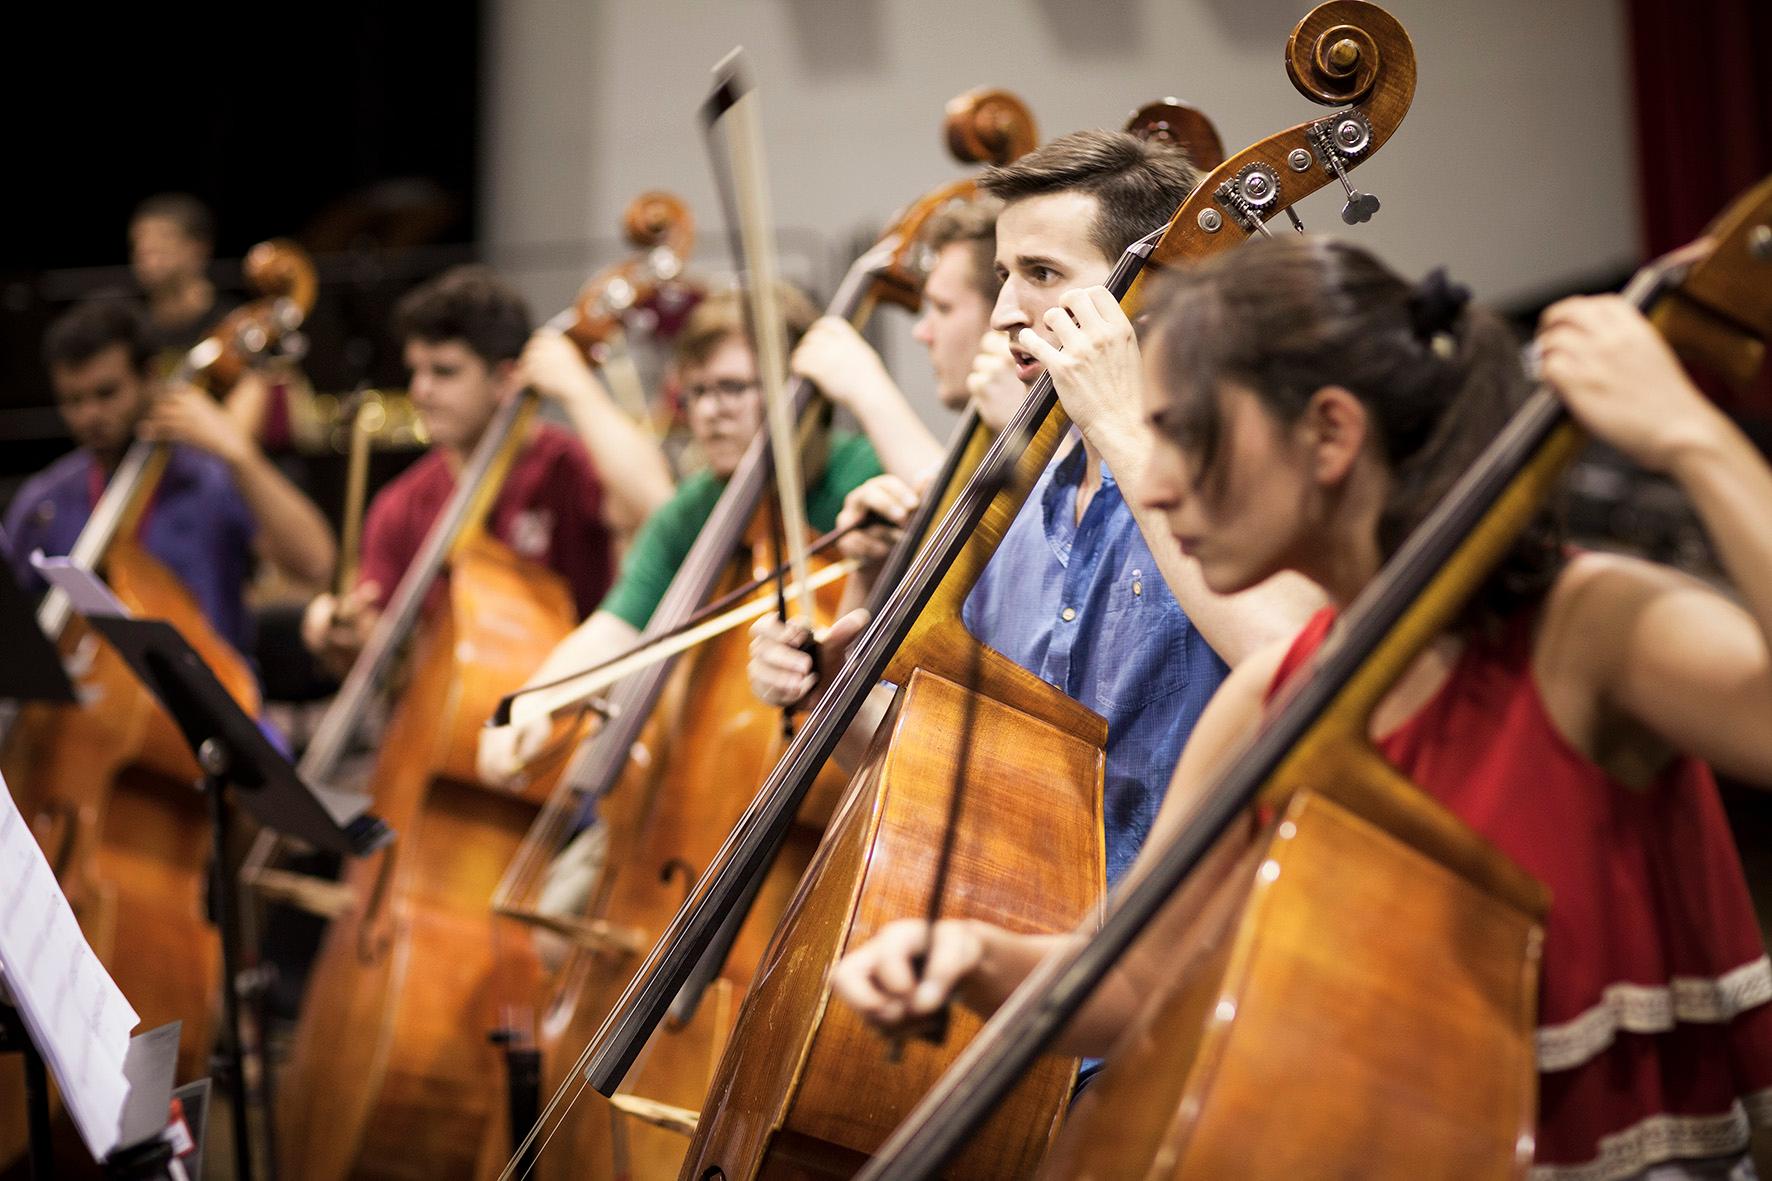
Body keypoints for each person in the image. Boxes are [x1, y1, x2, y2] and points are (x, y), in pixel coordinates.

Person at [833, 236, 1772, 1178]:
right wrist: (973, 956)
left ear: (1329, 434)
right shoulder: (1267, 702)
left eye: (1188, 437)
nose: (1153, 482)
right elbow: (1133, 975)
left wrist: (1690, 437)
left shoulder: (1582, 631)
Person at [749, 131, 1317, 886]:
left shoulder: (1249, 469)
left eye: (1042, 273)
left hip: (1182, 946)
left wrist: (1119, 424)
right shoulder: (1011, 508)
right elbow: (933, 773)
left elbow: (1303, 663)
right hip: (1021, 930)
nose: (1003, 313)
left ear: (1154, 293)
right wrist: (833, 698)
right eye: (1003, 276)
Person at [476, 282, 893, 783]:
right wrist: (533, 703)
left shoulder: (866, 475)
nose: (709, 412)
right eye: (695, 392)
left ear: (799, 389)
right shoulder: (694, 509)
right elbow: (617, 629)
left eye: (733, 387)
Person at [300, 265, 665, 674]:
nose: (421, 390)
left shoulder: (570, 468)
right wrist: (346, 633)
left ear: (507, 377)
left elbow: (658, 508)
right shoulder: (400, 504)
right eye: (415, 370)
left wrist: (578, 387)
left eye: (444, 371)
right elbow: (384, 649)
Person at [5, 299, 336, 651]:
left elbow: (316, 564)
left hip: (217, 695)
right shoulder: (45, 500)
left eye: (107, 393)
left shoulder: (209, 477)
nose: (90, 415)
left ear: (150, 376)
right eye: (73, 401)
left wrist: (239, 453)